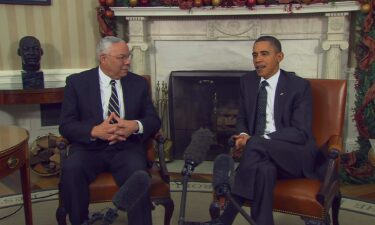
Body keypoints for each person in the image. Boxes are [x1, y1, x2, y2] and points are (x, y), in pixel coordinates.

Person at [202, 36, 318, 225]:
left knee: (256, 143)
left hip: (295, 155)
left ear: (279, 56)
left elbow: (300, 132)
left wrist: (258, 140)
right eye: (255, 54)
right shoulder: (247, 82)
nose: (258, 60)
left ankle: (226, 218)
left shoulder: (298, 86)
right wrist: (244, 136)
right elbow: (242, 119)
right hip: (261, 156)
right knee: (264, 171)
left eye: (264, 54)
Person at [59, 36, 160, 225]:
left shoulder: (138, 83)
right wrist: (94, 131)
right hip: (89, 149)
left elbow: (153, 120)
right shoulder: (77, 83)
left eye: (128, 56)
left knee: (139, 173)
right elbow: (66, 124)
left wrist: (135, 126)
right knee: (72, 169)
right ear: (103, 58)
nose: (128, 61)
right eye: (122, 57)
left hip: (127, 148)